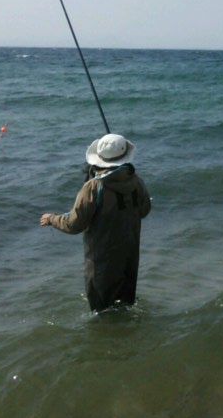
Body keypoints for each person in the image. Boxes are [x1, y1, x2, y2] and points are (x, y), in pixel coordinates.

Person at [40, 133, 151, 312]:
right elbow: (145, 210)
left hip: (102, 262)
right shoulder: (136, 182)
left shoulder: (93, 187)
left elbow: (74, 224)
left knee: (101, 312)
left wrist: (52, 219)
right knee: (126, 306)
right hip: (130, 256)